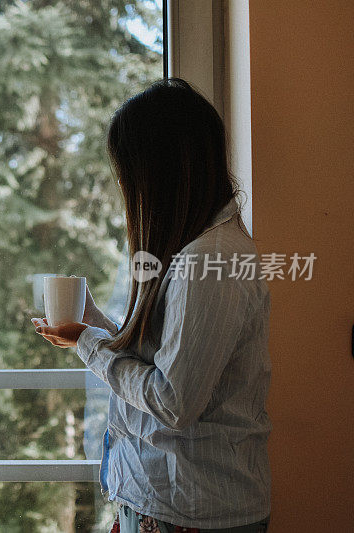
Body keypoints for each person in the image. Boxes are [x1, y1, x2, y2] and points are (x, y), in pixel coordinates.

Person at [32, 78, 271, 533]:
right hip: (167, 500)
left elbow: (173, 401)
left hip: (192, 511)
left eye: (128, 168)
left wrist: (90, 343)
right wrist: (98, 323)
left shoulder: (209, 260)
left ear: (159, 171)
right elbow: (172, 358)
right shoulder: (194, 251)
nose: (123, 182)